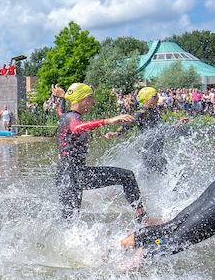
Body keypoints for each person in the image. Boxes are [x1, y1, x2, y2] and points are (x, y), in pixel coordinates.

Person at [50, 83, 147, 222]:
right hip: (73, 175)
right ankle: (142, 219)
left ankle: (142, 218)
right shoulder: (72, 118)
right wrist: (108, 121)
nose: (93, 101)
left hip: (68, 175)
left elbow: (61, 111)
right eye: (90, 98)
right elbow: (76, 128)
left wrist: (62, 97)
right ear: (80, 99)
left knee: (69, 222)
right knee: (127, 176)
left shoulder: (66, 116)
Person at [105, 86, 188, 174]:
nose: (158, 98)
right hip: (149, 153)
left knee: (161, 174)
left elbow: (162, 129)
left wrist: (178, 125)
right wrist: (116, 133)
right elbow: (129, 124)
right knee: (171, 171)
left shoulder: (155, 112)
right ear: (147, 99)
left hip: (156, 152)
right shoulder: (142, 113)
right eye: (155, 96)